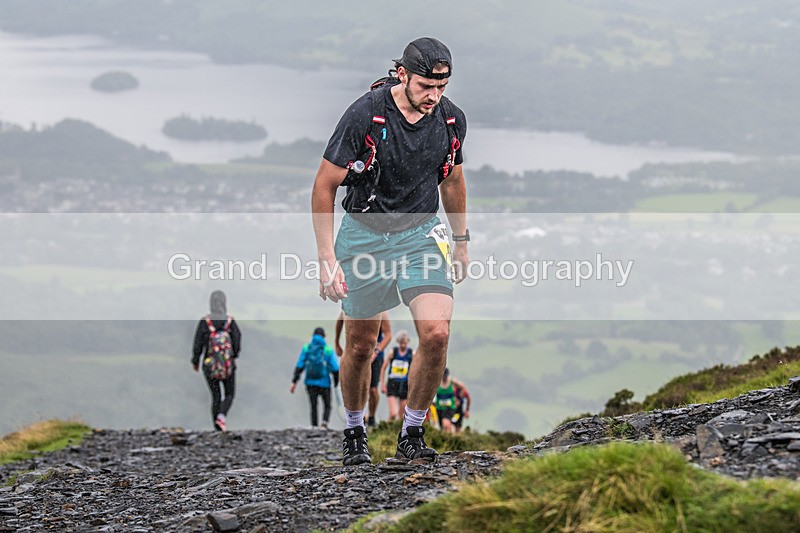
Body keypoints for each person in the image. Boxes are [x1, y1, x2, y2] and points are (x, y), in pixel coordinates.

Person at [312, 37, 469, 465]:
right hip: (364, 235)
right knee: (361, 346)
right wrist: (327, 260)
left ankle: (412, 433)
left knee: (436, 334)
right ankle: (354, 430)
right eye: (425, 87)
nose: (434, 97)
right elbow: (324, 186)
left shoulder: (451, 121)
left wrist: (461, 241)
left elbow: (452, 182)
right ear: (403, 75)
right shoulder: (367, 114)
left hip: (421, 235)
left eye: (442, 87)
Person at [192, 290, 241, 432]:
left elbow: (198, 343)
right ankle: (222, 416)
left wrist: (195, 361)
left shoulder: (205, 322)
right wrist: (233, 356)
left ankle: (217, 427)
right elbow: (237, 340)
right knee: (230, 394)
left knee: (216, 396)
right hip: (228, 365)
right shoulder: (230, 321)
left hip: (209, 365)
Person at [335, 311, 392, 428]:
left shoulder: (382, 310)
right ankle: (356, 419)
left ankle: (371, 417)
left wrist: (377, 351)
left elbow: (388, 335)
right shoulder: (354, 304)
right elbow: (340, 320)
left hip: (375, 356)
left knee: (372, 390)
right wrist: (337, 343)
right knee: (356, 387)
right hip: (355, 353)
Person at [290, 327, 340, 428]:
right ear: (324, 336)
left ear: (313, 335)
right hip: (325, 383)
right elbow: (335, 368)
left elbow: (300, 365)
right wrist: (336, 381)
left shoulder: (307, 348)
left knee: (313, 405)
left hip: (310, 382)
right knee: (327, 405)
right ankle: (324, 422)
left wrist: (294, 382)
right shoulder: (328, 349)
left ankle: (314, 426)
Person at [380, 330, 413, 421]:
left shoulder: (411, 354)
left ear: (408, 342)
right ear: (398, 342)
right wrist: (383, 384)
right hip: (392, 383)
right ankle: (386, 427)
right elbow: (383, 368)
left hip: (405, 384)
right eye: (401, 343)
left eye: (405, 343)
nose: (403, 345)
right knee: (393, 413)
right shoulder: (393, 352)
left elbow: (416, 370)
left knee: (401, 414)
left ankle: (396, 431)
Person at [434, 368, 471, 433]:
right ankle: (449, 439)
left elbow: (464, 389)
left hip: (450, 408)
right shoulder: (437, 382)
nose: (444, 377)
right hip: (439, 408)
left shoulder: (452, 382)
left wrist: (459, 397)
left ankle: (453, 439)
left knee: (446, 423)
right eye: (443, 375)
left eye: (446, 375)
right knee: (442, 427)